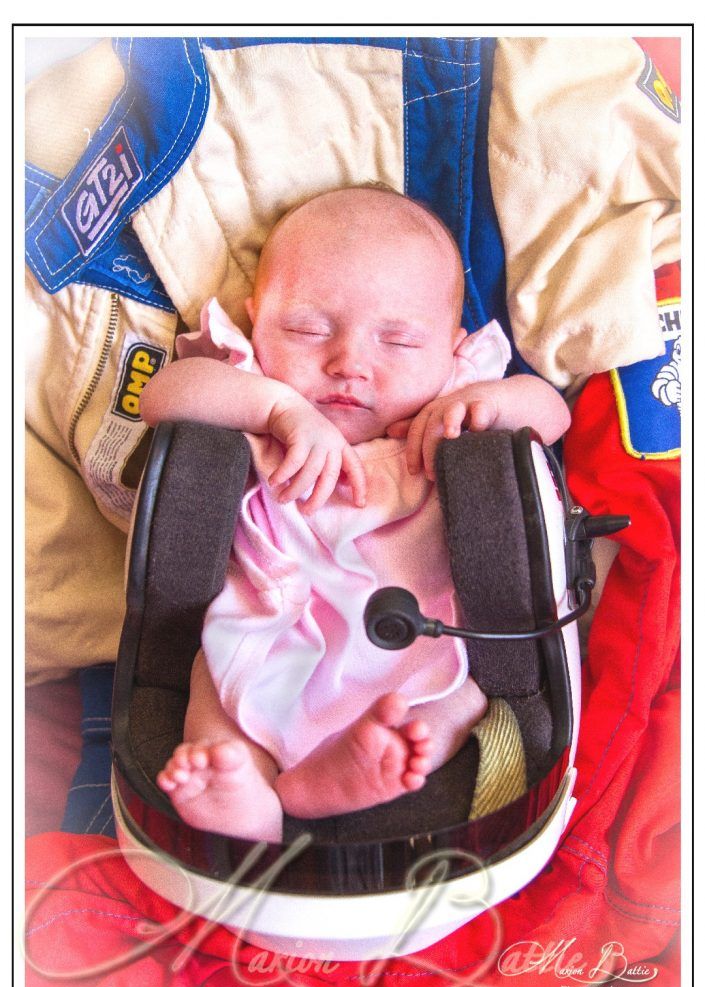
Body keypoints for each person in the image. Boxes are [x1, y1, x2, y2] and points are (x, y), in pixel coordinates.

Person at [140, 187, 570, 842]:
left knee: (460, 700)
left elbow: (551, 414)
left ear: (450, 348)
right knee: (216, 691)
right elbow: (162, 397)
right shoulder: (252, 385)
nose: (348, 363)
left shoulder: (452, 395)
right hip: (269, 629)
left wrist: (489, 407)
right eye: (306, 330)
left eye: (397, 341)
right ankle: (245, 792)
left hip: (416, 640)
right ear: (255, 320)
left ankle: (322, 785)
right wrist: (278, 411)